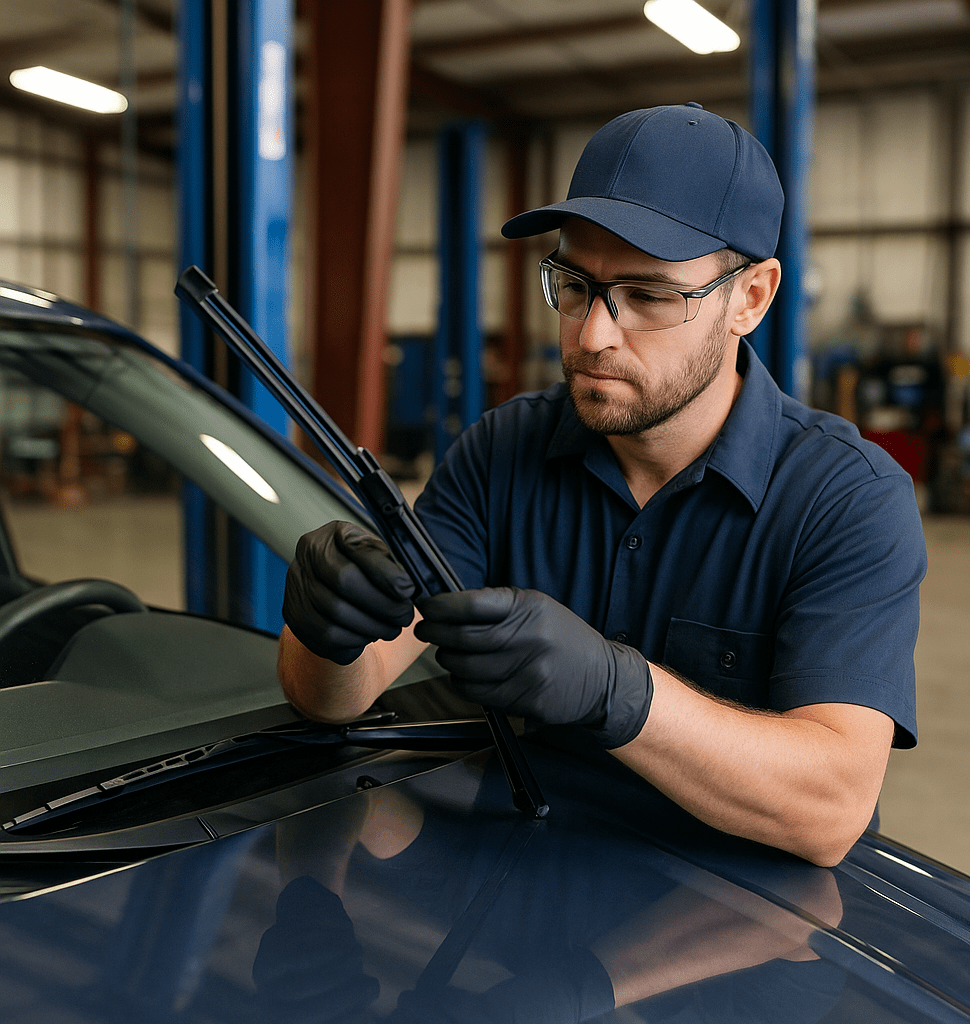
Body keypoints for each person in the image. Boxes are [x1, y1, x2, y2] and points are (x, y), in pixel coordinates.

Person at [277, 103, 927, 868]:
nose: (592, 335)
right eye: (574, 283)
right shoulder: (501, 452)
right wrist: (328, 630)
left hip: (738, 933)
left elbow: (832, 809)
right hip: (526, 891)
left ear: (750, 297)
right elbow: (336, 698)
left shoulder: (845, 498)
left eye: (650, 296)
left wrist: (621, 692)